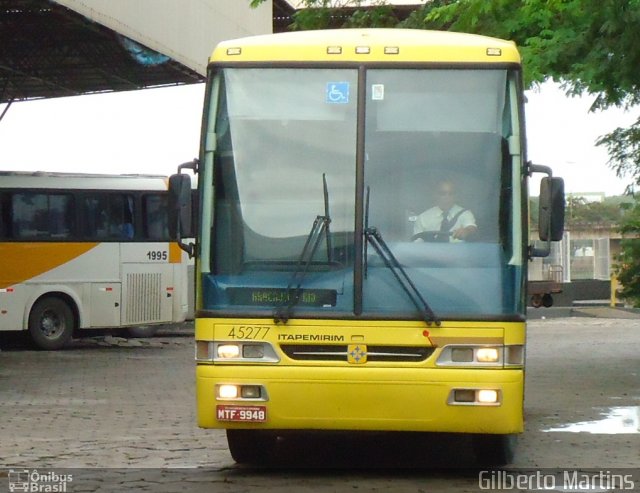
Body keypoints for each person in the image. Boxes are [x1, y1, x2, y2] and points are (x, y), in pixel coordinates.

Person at [412, 180, 477, 242]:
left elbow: (471, 228)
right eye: (442, 193)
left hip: (459, 253)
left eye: (451, 193)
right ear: (435, 195)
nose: (447, 197)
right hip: (429, 253)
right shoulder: (423, 218)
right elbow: (417, 245)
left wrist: (466, 231)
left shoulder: (465, 214)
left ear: (456, 196)